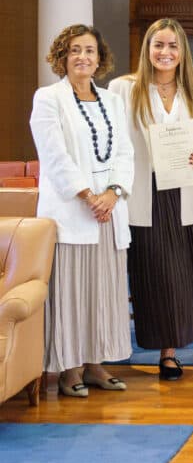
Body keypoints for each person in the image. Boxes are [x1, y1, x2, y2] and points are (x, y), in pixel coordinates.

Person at [30, 24, 134, 397]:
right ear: (62, 56)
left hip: (109, 212)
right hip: (72, 212)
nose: (83, 57)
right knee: (72, 291)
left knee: (103, 292)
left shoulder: (113, 100)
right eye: (75, 50)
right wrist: (89, 195)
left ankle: (96, 365)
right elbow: (54, 155)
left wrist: (112, 193)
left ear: (99, 58)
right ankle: (69, 368)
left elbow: (125, 152)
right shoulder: (48, 98)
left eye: (89, 50)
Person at [109, 18, 193, 381]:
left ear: (182, 52)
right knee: (160, 273)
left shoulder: (192, 92)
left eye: (173, 46)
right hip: (147, 194)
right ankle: (169, 353)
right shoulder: (125, 89)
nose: (165, 52)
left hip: (188, 190)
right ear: (147, 49)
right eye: (159, 45)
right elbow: (117, 145)